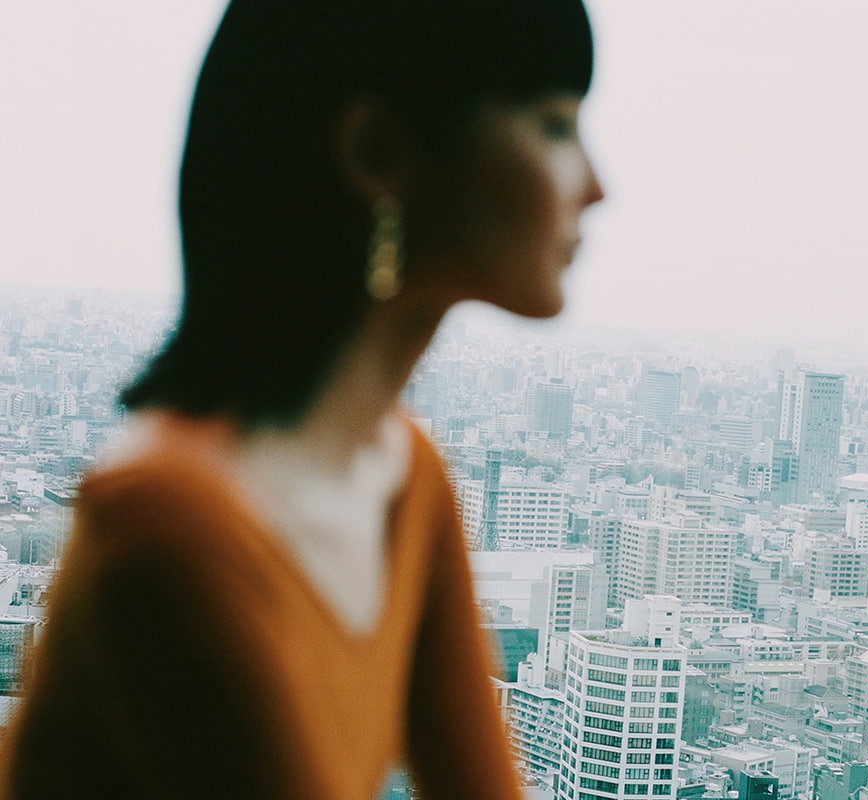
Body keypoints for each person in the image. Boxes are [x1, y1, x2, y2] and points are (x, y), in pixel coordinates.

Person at [0, 0, 603, 797]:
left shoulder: (402, 477)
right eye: (555, 125)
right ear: (380, 154)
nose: (596, 186)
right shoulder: (170, 524)